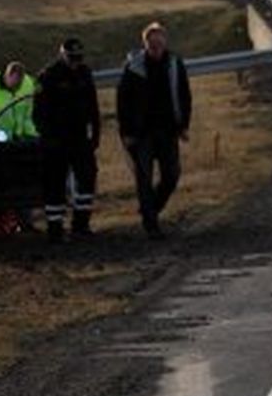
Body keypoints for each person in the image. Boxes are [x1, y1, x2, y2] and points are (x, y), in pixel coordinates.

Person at [116, 22, 191, 239]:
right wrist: (126, 132)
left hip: (168, 130)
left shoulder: (175, 64)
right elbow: (123, 101)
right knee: (144, 178)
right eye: (152, 43)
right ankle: (151, 225)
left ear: (165, 42)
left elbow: (185, 95)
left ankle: (151, 209)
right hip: (141, 134)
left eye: (160, 42)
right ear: (145, 43)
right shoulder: (133, 67)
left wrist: (184, 125)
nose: (157, 47)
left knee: (171, 175)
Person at [36, 37, 101, 241]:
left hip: (80, 137)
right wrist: (48, 137)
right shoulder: (48, 75)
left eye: (78, 58)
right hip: (56, 139)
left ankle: (81, 224)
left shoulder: (84, 73)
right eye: (72, 58)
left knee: (87, 177)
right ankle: (55, 229)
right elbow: (38, 112)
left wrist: (95, 134)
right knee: (54, 183)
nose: (76, 62)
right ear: (63, 55)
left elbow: (93, 107)